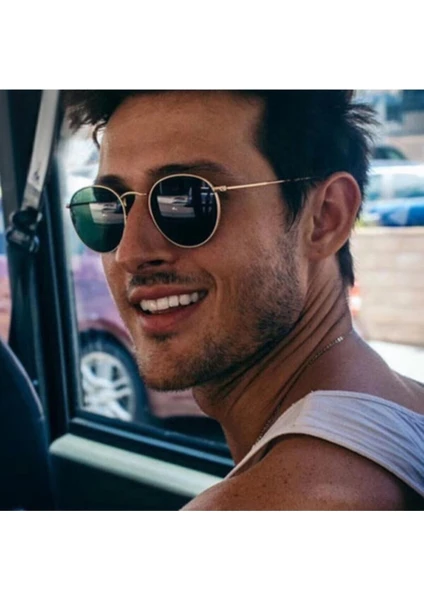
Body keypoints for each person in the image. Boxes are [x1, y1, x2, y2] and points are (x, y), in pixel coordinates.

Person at [64, 90, 424, 510]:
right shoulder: (402, 407)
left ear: (325, 218)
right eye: (108, 209)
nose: (129, 253)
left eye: (187, 201)